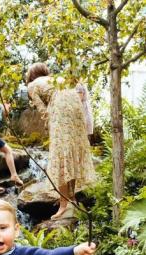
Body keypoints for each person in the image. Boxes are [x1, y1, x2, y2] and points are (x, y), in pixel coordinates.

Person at [26, 63, 96, 220]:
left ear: (31, 76)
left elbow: (43, 110)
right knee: (70, 153)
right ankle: (72, 200)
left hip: (60, 107)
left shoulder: (32, 85)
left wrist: (51, 127)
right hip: (75, 104)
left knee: (60, 157)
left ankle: (63, 206)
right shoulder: (55, 79)